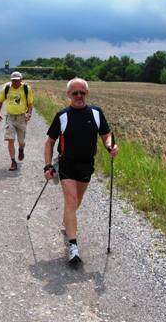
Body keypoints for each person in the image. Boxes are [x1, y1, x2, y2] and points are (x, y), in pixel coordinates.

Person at [44, 78, 118, 264]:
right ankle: (73, 246)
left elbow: (105, 135)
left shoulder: (96, 113)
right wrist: (47, 166)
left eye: (82, 92)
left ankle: (67, 223)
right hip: (67, 164)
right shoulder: (62, 116)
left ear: (87, 93)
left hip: (87, 164)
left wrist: (110, 146)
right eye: (75, 93)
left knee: (77, 202)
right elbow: (50, 142)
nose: (79, 96)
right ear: (69, 95)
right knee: (71, 200)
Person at [0, 71, 34, 171]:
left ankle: (21, 149)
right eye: (13, 80)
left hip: (22, 118)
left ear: (21, 80)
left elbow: (30, 103)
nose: (15, 82)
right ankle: (13, 162)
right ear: (11, 80)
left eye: (17, 80)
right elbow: (0, 101)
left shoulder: (26, 88)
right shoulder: (6, 88)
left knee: (21, 141)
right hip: (10, 118)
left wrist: (29, 113)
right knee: (10, 139)